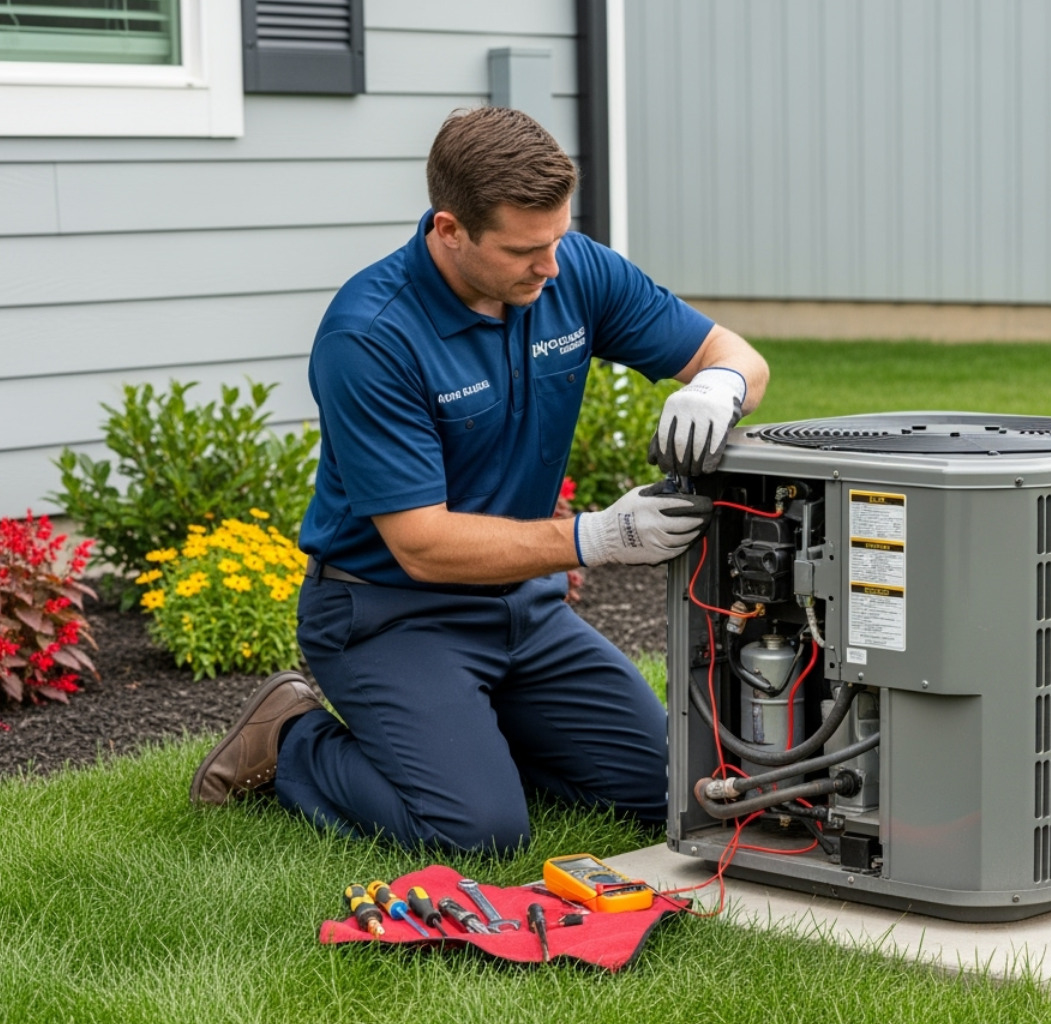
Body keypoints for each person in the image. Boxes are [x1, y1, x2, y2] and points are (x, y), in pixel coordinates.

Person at [189, 107, 768, 852]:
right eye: (525, 249)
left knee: (678, 789)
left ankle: (477, 741)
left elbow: (736, 354)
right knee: (478, 832)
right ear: (449, 229)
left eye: (557, 238)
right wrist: (600, 536)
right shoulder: (371, 337)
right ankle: (292, 737)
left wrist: (718, 385)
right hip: (390, 616)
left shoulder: (573, 271)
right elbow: (422, 546)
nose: (551, 267)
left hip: (524, 611)